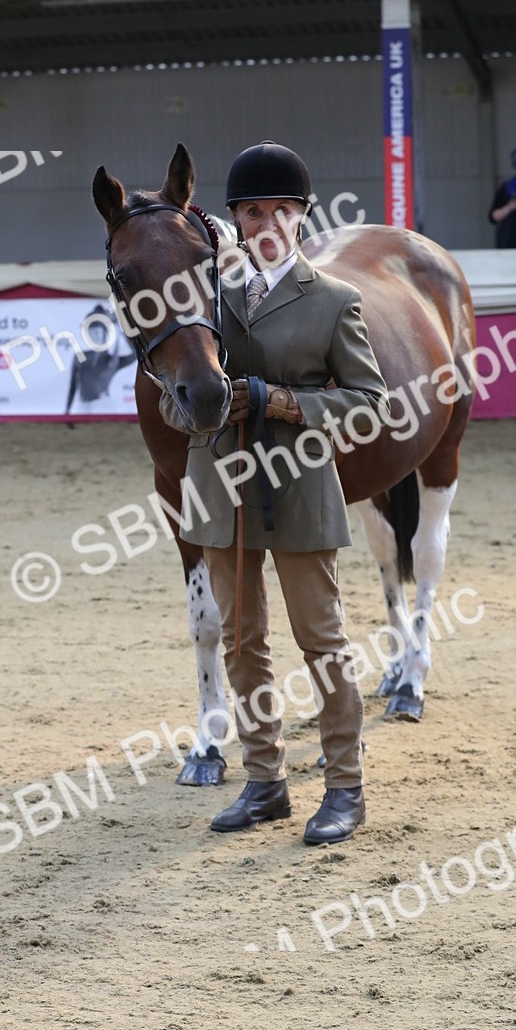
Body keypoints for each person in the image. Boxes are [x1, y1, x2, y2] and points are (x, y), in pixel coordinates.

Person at [161, 140, 389, 844]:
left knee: (322, 640)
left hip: (298, 488)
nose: (266, 223)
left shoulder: (334, 302)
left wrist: (285, 402)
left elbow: (368, 403)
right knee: (240, 639)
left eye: (280, 211)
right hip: (221, 487)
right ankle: (264, 781)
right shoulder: (205, 302)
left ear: (300, 219)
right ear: (236, 221)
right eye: (252, 211)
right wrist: (205, 406)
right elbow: (172, 404)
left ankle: (345, 788)